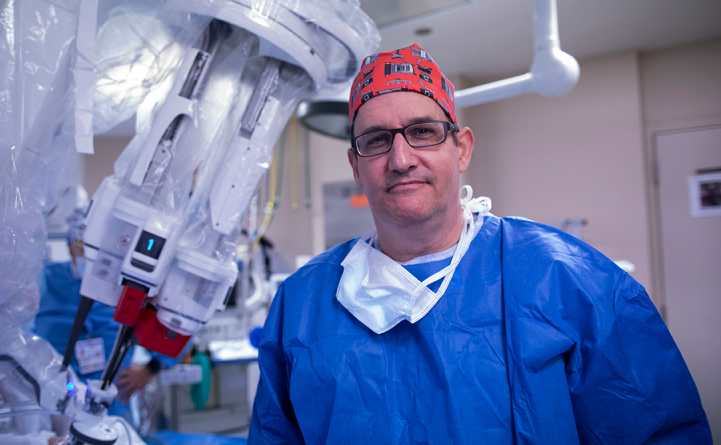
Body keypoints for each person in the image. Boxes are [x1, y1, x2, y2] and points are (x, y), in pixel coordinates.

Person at [248, 44, 712, 444]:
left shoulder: (566, 280)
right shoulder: (302, 302)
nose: (401, 158)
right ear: (355, 165)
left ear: (462, 148)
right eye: (376, 140)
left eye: (423, 132)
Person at [35, 208, 177, 411]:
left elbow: (170, 331)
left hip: (112, 403)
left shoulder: (125, 288)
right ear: (69, 247)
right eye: (84, 248)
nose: (92, 258)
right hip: (53, 401)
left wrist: (151, 368)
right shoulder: (45, 281)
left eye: (99, 251)